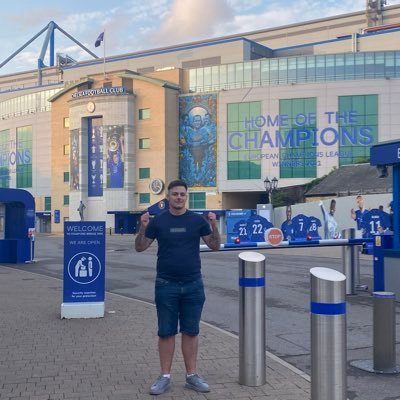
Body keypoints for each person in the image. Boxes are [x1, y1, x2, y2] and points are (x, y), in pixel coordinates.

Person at [134, 179, 221, 395]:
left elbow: (215, 245)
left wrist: (214, 225)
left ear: (186, 197)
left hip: (193, 284)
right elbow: (140, 247)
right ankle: (164, 377)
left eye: (182, 194)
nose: (179, 198)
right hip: (166, 284)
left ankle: (192, 376)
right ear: (168, 197)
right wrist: (142, 227)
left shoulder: (196, 220)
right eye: (175, 194)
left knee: (191, 331)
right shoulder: (158, 221)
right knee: (166, 332)